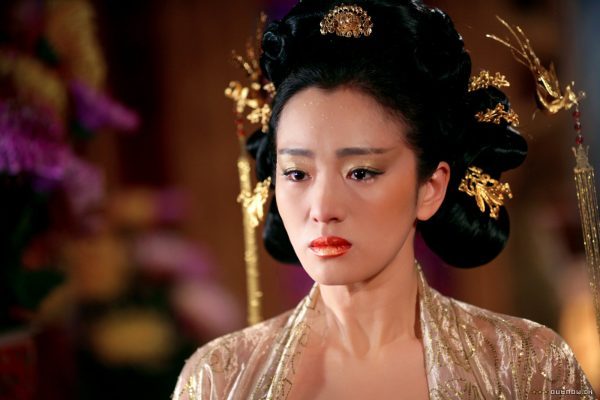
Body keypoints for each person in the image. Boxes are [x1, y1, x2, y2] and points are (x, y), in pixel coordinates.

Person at [173, 0, 596, 398]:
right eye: (297, 173)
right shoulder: (222, 376)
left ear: (430, 187)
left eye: (361, 172)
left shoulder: (526, 365)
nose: (322, 209)